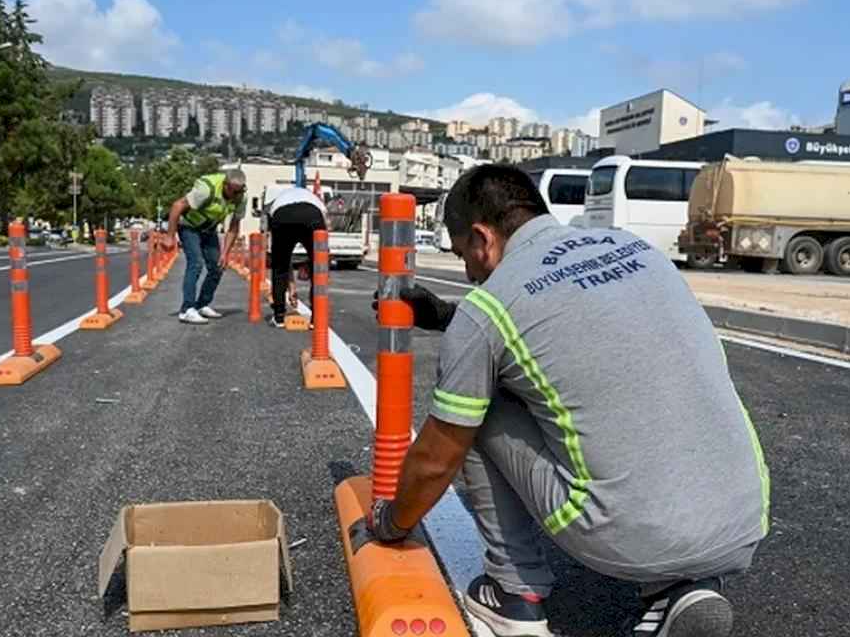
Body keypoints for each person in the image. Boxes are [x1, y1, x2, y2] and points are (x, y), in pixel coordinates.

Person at [367, 164, 770, 637]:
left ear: (482, 238)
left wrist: (392, 523)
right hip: (746, 516)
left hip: (625, 538)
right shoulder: (637, 250)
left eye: (463, 255)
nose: (468, 270)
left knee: (477, 404)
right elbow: (579, 332)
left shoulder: (489, 308)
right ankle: (680, 588)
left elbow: (439, 457)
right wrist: (447, 319)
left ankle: (514, 592)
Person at [165, 168, 247, 324]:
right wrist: (170, 236)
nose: (236, 196)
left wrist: (225, 253)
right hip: (189, 227)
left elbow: (234, 227)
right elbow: (177, 206)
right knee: (196, 263)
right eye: (233, 192)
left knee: (217, 266)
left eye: (239, 192)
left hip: (208, 230)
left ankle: (202, 305)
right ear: (225, 185)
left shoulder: (241, 197)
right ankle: (187, 309)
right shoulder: (206, 189)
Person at [265, 186, 328, 328]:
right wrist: (310, 262)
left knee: (279, 267)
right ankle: (317, 319)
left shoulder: (276, 203)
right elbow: (325, 227)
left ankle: (279, 316)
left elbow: (285, 263)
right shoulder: (316, 201)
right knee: (319, 269)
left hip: (283, 217)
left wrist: (291, 285)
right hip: (312, 216)